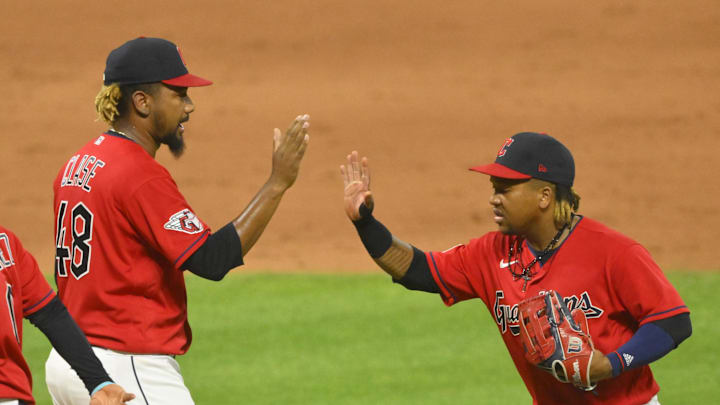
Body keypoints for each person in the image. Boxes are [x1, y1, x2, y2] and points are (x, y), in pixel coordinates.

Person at [44, 37, 309, 405]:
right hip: (126, 367)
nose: (189, 106)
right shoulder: (138, 174)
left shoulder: (76, 164)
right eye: (179, 94)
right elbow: (211, 260)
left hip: (70, 363)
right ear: (142, 101)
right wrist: (277, 183)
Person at [340, 132, 691, 404]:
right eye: (494, 188)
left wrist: (612, 363)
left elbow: (672, 321)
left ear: (544, 196)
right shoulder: (489, 254)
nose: (494, 197)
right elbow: (415, 271)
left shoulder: (614, 252)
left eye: (506, 189)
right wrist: (365, 222)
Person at [0, 225, 134, 405]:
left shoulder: (6, 242)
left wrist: (97, 381)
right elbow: (50, 313)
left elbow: (49, 312)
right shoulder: (4, 240)